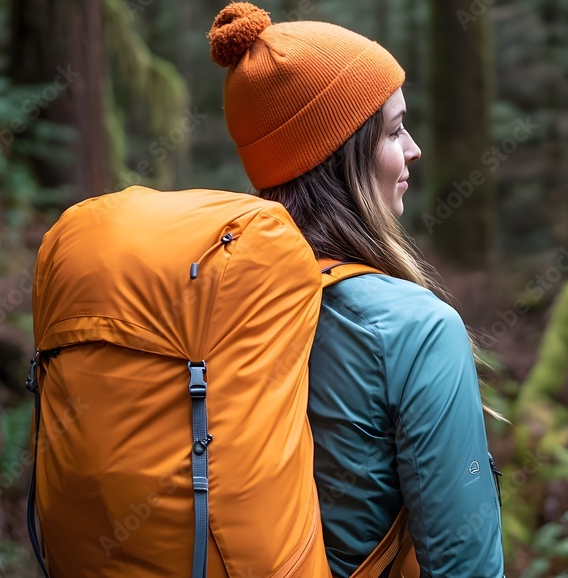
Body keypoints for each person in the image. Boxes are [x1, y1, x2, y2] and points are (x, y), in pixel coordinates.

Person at [208, 3, 505, 577]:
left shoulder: (211, 302)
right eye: (394, 129)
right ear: (339, 155)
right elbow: (463, 566)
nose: (413, 148)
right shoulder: (414, 329)